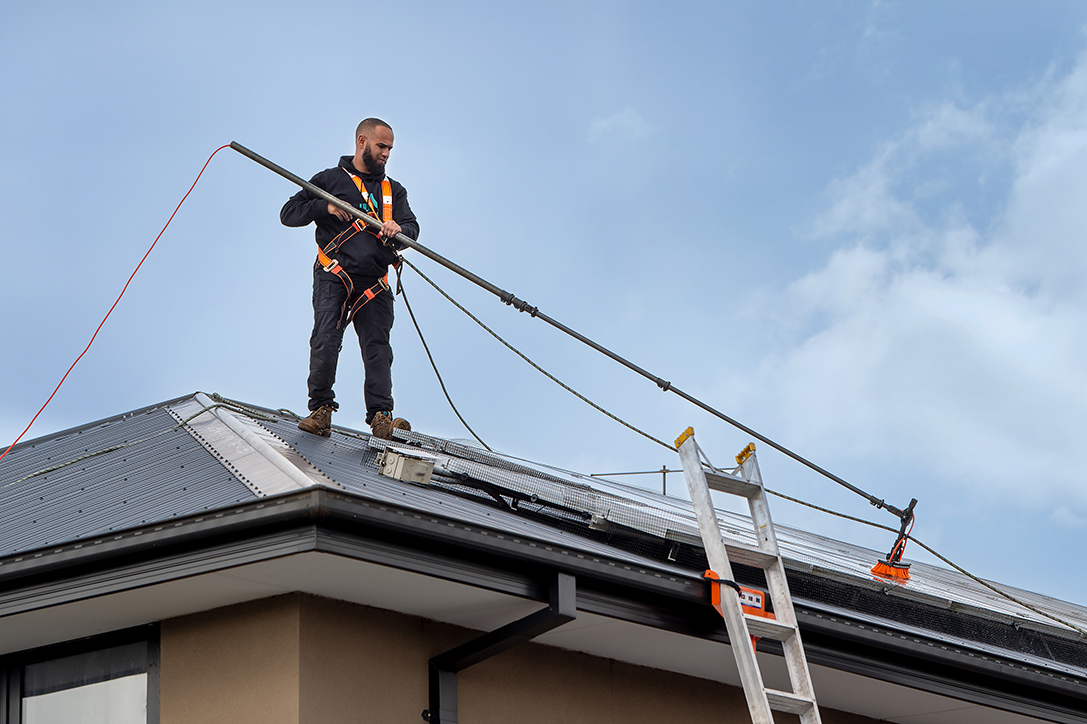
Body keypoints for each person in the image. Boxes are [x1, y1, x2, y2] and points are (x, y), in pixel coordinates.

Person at [281, 118, 419, 440]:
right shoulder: (330, 180)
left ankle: (382, 418)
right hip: (335, 274)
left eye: (389, 149)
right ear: (362, 142)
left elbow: (412, 229)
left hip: (374, 283)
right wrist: (324, 206)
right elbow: (288, 213)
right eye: (381, 146)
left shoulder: (393, 192)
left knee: (378, 348)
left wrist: (400, 231)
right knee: (326, 337)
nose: (386, 154)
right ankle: (321, 410)